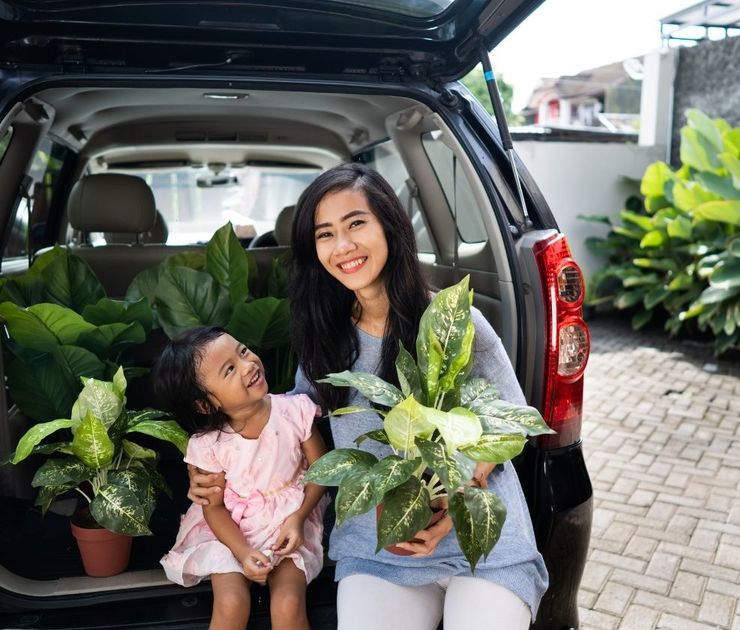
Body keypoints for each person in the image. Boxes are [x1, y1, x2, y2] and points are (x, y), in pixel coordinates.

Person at [188, 163, 548, 630]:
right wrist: (212, 474)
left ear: (390, 227)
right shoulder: (325, 342)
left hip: (481, 542)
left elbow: (512, 422)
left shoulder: (453, 320)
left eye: (356, 223)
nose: (343, 247)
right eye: (325, 234)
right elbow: (286, 425)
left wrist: (458, 497)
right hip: (378, 549)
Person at [155, 326, 328, 630]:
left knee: (288, 604)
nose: (248, 365)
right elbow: (214, 508)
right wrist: (243, 552)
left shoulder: (294, 412)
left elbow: (324, 470)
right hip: (230, 532)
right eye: (230, 369)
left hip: (289, 520)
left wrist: (299, 518)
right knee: (231, 603)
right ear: (206, 405)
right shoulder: (209, 445)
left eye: (243, 351)